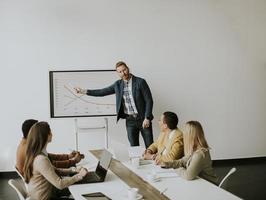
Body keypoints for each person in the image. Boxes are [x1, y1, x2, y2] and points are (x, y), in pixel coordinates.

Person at [75, 61, 154, 148]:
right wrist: (83, 91)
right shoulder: (118, 85)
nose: (123, 73)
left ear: (128, 68)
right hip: (130, 121)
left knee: (150, 147)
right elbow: (102, 92)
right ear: (117, 73)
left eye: (124, 70)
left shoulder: (140, 82)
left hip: (143, 118)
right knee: (134, 148)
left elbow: (149, 100)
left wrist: (147, 117)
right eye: (120, 72)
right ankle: (136, 161)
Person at [23, 121, 88, 200]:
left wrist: (74, 170)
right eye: (50, 132)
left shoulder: (39, 154)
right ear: (45, 136)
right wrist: (79, 176)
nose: (52, 134)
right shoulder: (41, 159)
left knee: (78, 187)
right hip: (47, 197)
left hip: (47, 193)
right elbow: (59, 184)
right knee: (79, 191)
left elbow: (56, 170)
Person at [16, 119, 84, 176]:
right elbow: (50, 165)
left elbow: (48, 156)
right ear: (32, 132)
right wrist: (73, 161)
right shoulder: (28, 148)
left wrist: (68, 156)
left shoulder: (26, 143)